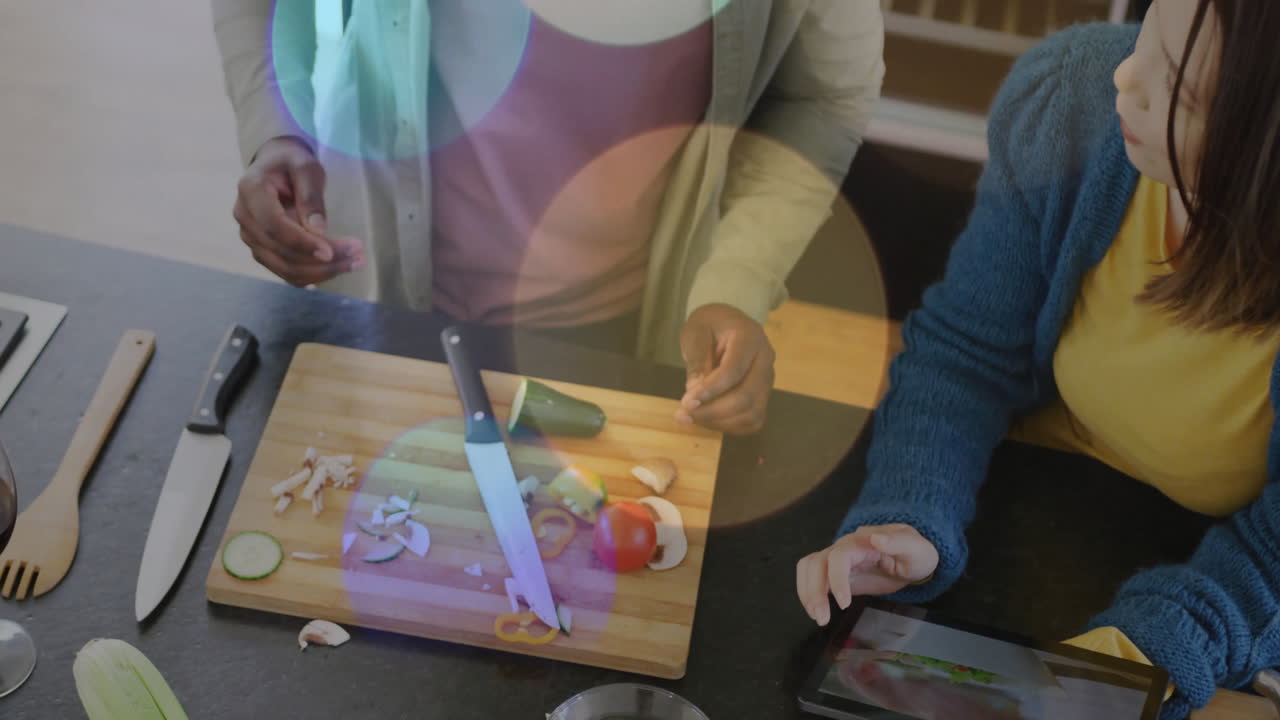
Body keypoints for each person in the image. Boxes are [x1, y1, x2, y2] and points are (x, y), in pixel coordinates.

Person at [795, 1, 1280, 717]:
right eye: (1149, 34)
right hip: (1016, 505)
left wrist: (1151, 652)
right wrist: (910, 515)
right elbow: (966, 353)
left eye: (1177, 87)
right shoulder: (1075, 98)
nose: (1125, 77)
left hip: (1207, 576)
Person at [211, 0, 886, 435]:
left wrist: (738, 281)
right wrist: (278, 129)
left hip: (629, 337)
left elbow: (822, 96)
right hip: (372, 293)